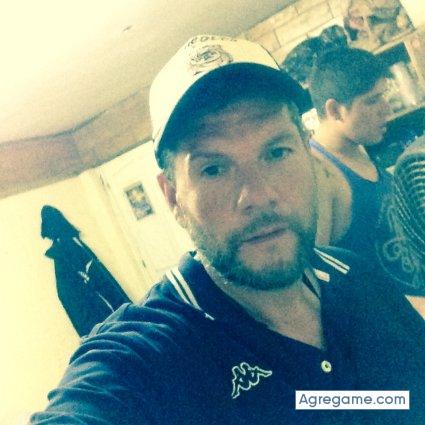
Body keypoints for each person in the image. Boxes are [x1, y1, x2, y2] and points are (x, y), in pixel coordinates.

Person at [30, 35, 424, 425]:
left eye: (277, 152)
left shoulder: (355, 276)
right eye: (214, 169)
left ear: (308, 155)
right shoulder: (146, 357)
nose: (259, 195)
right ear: (172, 197)